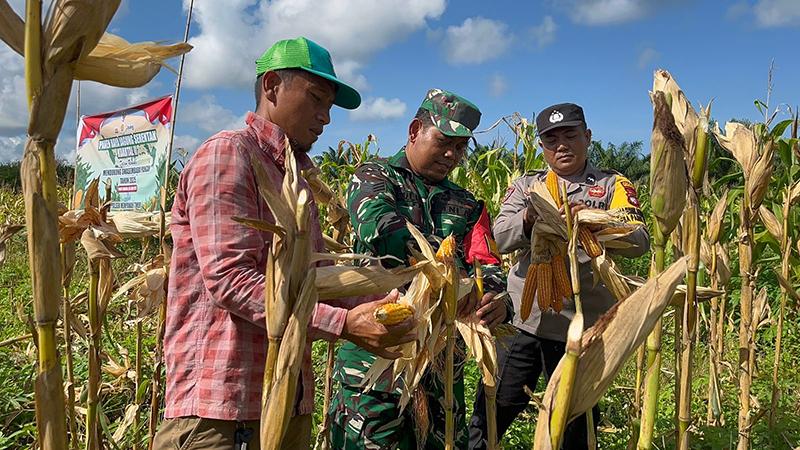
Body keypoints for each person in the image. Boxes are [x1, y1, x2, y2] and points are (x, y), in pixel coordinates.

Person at [153, 37, 415, 450]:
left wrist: (399, 301)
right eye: (316, 99)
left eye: (329, 106)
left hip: (286, 398)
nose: (326, 117)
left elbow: (312, 279)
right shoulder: (229, 155)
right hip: (223, 408)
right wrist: (344, 324)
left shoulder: (295, 179)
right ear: (272, 86)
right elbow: (229, 280)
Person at [328, 89, 512, 449]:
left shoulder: (469, 205)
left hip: (441, 369)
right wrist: (447, 270)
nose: (451, 155)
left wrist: (495, 297)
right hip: (376, 363)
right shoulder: (374, 177)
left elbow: (487, 263)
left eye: (461, 147)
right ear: (415, 130)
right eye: (444, 141)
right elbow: (380, 230)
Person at [468, 103, 650, 450]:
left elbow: (640, 241)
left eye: (570, 135)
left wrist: (596, 223)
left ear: (588, 137)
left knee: (575, 428)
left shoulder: (612, 186)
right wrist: (529, 219)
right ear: (542, 146)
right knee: (489, 416)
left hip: (582, 332)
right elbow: (500, 238)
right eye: (551, 139)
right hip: (525, 323)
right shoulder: (527, 186)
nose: (561, 145)